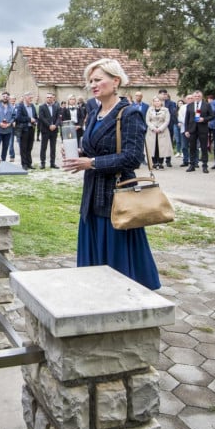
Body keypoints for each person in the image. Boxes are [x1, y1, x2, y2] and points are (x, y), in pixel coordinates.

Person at [63, 58, 160, 290]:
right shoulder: (93, 111)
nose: (93, 84)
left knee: (116, 266)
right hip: (91, 196)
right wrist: (79, 153)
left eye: (98, 79)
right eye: (90, 81)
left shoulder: (129, 114)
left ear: (115, 81)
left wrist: (93, 163)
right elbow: (94, 147)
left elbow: (132, 158)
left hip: (116, 197)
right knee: (93, 266)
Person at [184, 90, 214, 173]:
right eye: (195, 96)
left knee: (204, 148)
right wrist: (186, 130)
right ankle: (192, 165)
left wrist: (203, 119)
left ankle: (205, 166)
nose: (197, 97)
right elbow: (186, 118)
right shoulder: (189, 105)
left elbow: (212, 116)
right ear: (193, 97)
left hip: (203, 129)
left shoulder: (207, 105)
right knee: (192, 148)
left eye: (198, 96)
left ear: (201, 97)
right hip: (192, 129)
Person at [145, 96, 171, 170]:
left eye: (158, 101)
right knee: (153, 147)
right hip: (152, 131)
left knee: (161, 147)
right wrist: (153, 128)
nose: (157, 102)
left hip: (162, 131)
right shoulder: (150, 109)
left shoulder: (165, 110)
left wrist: (160, 129)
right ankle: (154, 163)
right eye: (155, 101)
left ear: (161, 102)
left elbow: (167, 120)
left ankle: (160, 163)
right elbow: (147, 120)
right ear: (153, 102)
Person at [0, 90, 16, 161]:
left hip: (8, 130)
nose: (5, 98)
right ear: (1, 97)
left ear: (8, 98)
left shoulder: (11, 107)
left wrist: (9, 123)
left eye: (7, 97)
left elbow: (14, 117)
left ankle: (4, 161)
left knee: (5, 147)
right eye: (4, 96)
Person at [15, 92, 39, 170]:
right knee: (23, 148)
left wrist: (36, 121)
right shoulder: (20, 106)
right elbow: (18, 118)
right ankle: (24, 164)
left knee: (30, 147)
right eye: (30, 98)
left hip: (31, 129)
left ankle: (29, 163)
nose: (31, 99)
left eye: (31, 98)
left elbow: (35, 116)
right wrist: (29, 119)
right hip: (24, 129)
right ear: (25, 98)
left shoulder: (32, 106)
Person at [38, 92, 61, 169]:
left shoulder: (56, 107)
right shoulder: (42, 107)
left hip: (54, 130)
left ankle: (52, 163)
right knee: (43, 147)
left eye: (50, 97)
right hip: (45, 129)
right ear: (46, 98)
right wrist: (49, 125)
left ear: (53, 98)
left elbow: (59, 117)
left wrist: (55, 125)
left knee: (53, 147)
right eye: (48, 97)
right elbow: (41, 117)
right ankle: (43, 163)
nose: (49, 98)